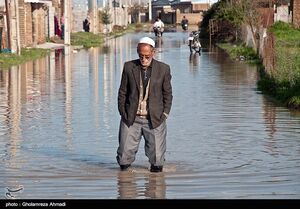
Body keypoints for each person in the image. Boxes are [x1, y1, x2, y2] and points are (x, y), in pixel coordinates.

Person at [116, 37, 173, 173]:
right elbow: (122, 92)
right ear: (137, 52)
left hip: (155, 119)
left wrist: (164, 114)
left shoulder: (163, 69)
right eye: (141, 56)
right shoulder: (129, 67)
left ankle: (154, 188)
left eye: (147, 56)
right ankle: (126, 186)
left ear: (153, 53)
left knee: (157, 160)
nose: (144, 59)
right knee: (124, 158)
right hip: (131, 118)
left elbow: (168, 94)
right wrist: (123, 113)